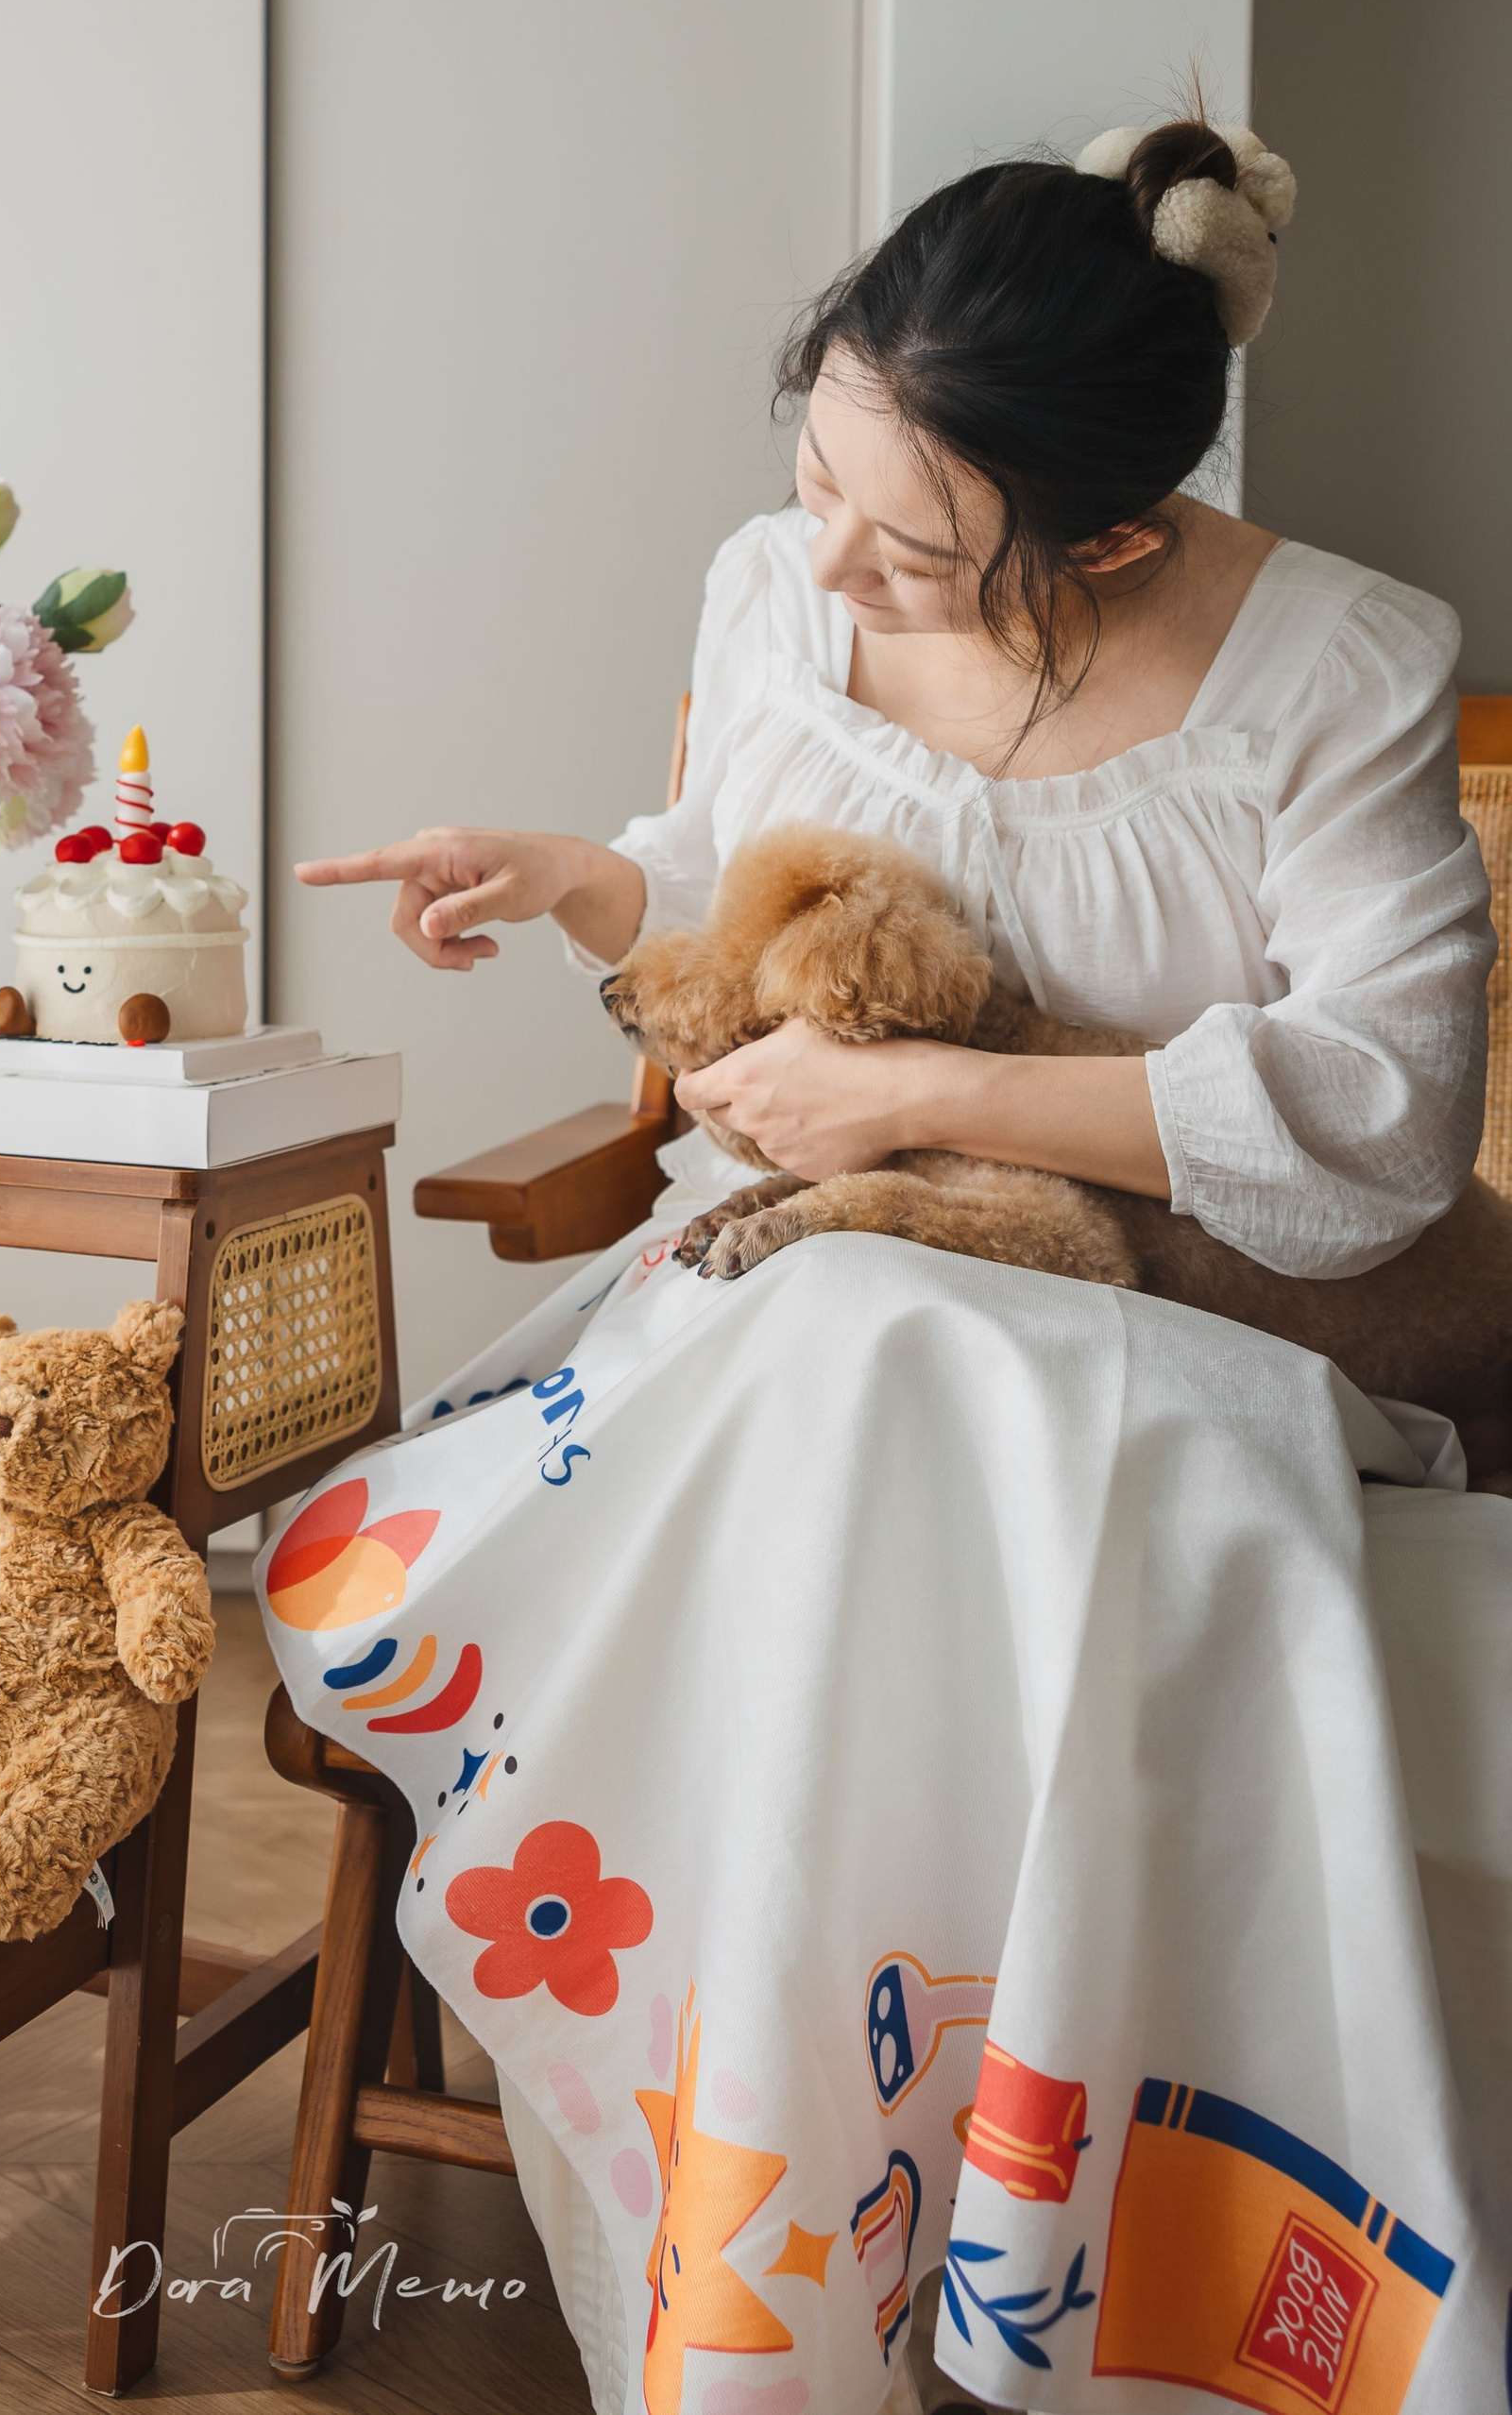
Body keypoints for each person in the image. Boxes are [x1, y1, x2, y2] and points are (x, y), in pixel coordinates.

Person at [269, 123, 1512, 2415]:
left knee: (885, 1331)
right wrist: (577, 877)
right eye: (818, 468)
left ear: (1110, 535)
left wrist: (917, 1106)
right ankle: (819, 2231)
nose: (826, 554)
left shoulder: (1335, 666)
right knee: (850, 1321)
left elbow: (1376, 1124)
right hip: (806, 1298)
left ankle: (963, 2248)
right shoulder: (777, 581)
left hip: (1183, 1316)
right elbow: (726, 893)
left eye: (909, 540)